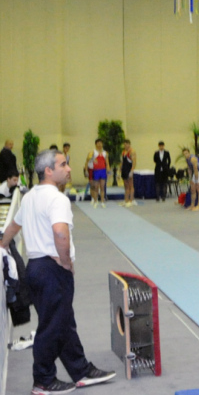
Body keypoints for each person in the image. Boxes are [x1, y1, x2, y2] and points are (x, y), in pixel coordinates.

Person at [0, 149, 116, 394]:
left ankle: (80, 369)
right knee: (52, 327)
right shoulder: (57, 199)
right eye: (64, 164)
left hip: (35, 270)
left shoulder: (30, 196)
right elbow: (61, 232)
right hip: (52, 269)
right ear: (49, 171)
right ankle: (43, 380)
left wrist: (1, 246)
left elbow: (12, 227)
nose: (70, 169)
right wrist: (65, 263)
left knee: (63, 322)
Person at [85, 139, 110, 209]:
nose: (99, 145)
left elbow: (107, 163)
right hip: (96, 171)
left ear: (102, 144)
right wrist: (86, 170)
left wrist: (108, 171)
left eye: (100, 143)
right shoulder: (93, 152)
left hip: (103, 171)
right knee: (96, 187)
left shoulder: (105, 153)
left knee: (102, 187)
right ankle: (96, 201)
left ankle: (102, 202)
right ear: (95, 144)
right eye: (98, 143)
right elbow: (87, 160)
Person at [120, 139, 137, 207]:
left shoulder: (132, 151)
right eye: (124, 144)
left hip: (129, 169)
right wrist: (120, 169)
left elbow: (134, 162)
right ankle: (126, 200)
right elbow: (122, 162)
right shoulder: (123, 152)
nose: (125, 145)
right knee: (126, 185)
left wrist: (132, 171)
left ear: (129, 144)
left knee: (130, 185)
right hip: (124, 169)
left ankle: (131, 200)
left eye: (127, 144)